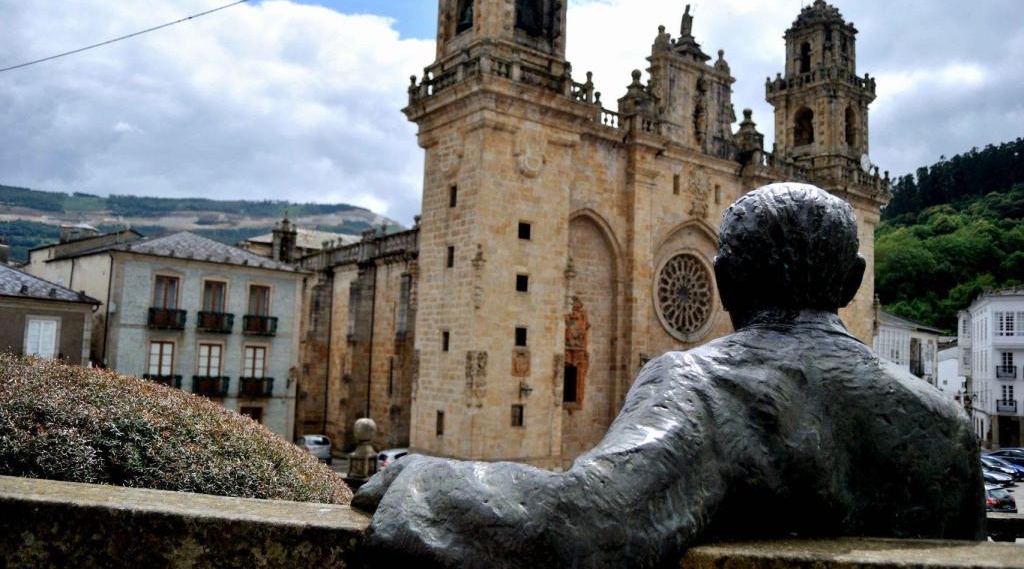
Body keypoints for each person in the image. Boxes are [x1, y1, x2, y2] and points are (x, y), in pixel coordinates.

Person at [352, 183, 985, 569]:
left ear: (725, 281)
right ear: (852, 282)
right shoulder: (947, 424)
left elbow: (586, 525)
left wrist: (418, 477)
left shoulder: (699, 385)